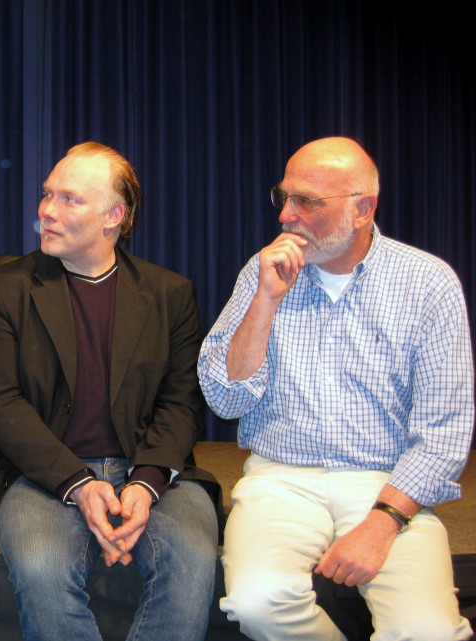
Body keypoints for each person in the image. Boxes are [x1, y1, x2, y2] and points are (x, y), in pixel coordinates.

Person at [198, 137, 474, 640]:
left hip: (388, 482)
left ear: (363, 208)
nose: (286, 215)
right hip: (280, 477)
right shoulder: (261, 275)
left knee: (428, 631)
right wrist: (265, 300)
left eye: (306, 201)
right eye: (283, 197)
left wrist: (382, 523)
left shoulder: (427, 283)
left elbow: (444, 432)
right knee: (258, 603)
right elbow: (225, 398)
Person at [0, 142, 220, 641]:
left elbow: (181, 403)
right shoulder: (5, 290)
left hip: (152, 471)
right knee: (42, 569)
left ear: (114, 217)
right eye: (47, 194)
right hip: (40, 476)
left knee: (192, 561)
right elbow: (1, 405)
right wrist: (79, 485)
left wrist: (146, 485)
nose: (46, 209)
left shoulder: (170, 295)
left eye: (69, 199)